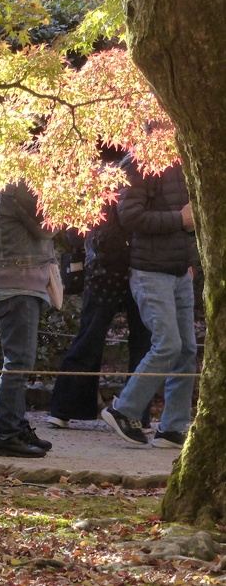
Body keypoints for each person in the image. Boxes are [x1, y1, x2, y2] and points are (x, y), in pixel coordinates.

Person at [101, 158, 197, 449]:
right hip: (150, 271)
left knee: (187, 350)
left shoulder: (189, 157)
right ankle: (123, 410)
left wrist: (190, 258)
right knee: (168, 344)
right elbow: (130, 216)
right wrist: (179, 220)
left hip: (181, 271)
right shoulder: (141, 160)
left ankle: (172, 429)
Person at [47, 199, 152, 429]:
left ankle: (65, 409)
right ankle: (136, 414)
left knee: (93, 336)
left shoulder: (95, 183)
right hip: (128, 264)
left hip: (109, 265)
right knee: (135, 340)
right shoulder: (142, 182)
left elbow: (74, 233)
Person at [0, 179, 56, 458]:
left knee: (16, 362)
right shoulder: (16, 184)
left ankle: (17, 427)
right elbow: (47, 226)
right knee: (18, 363)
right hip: (17, 283)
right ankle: (7, 434)